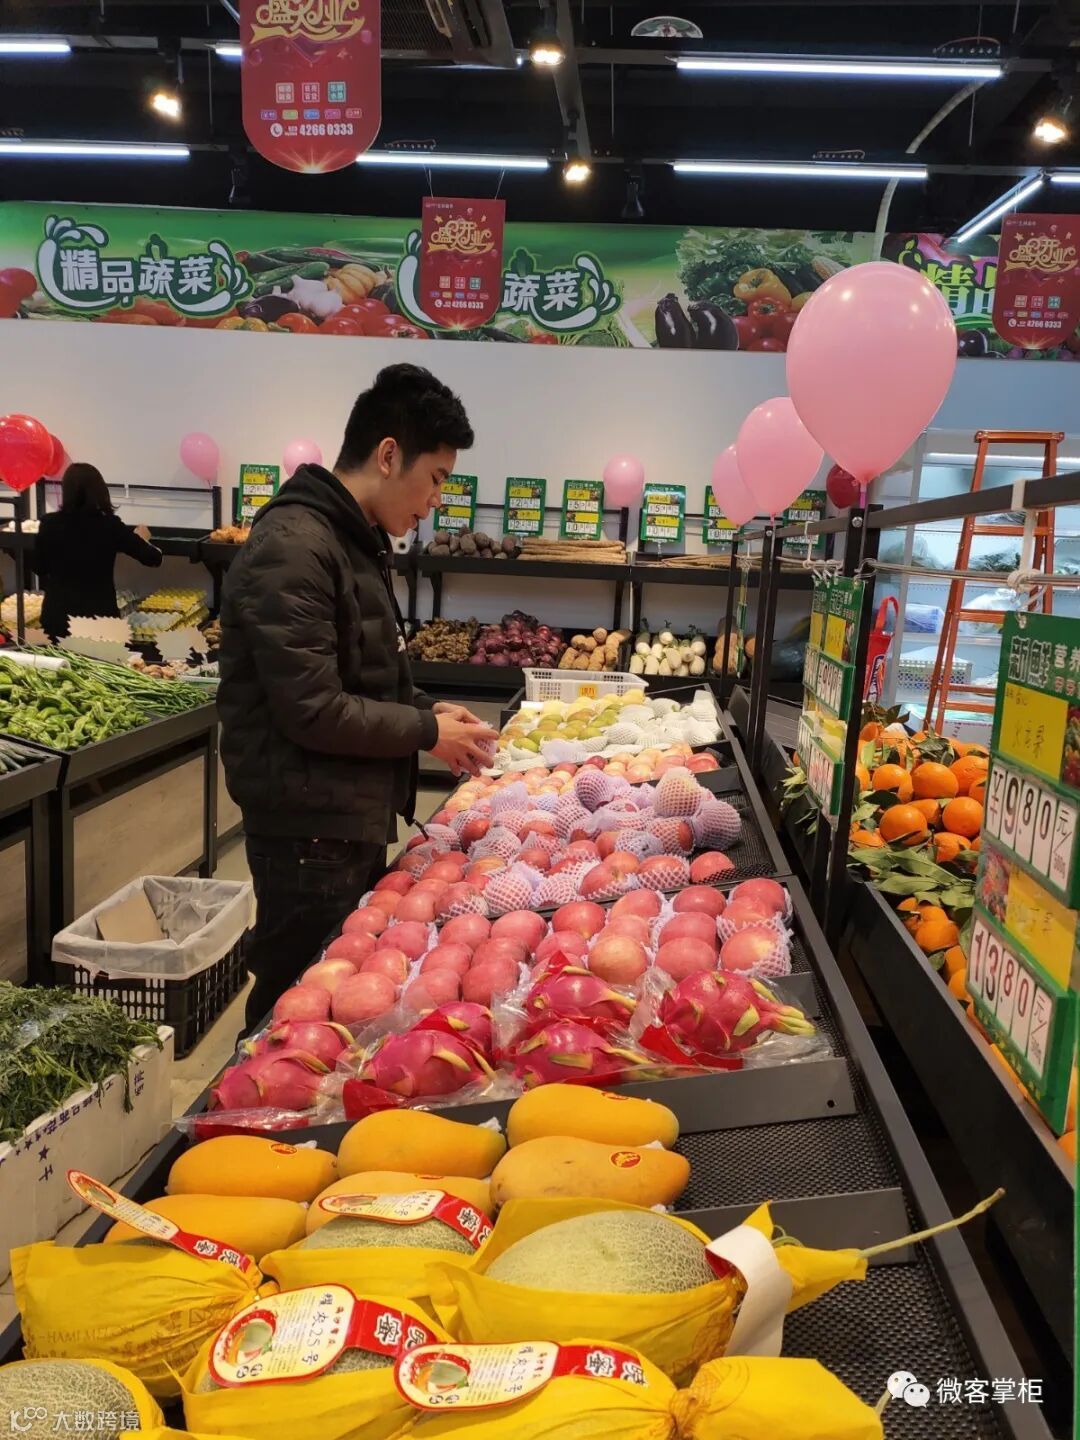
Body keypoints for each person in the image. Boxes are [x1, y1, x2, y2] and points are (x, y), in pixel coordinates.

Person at [217, 364, 498, 1029]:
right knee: (293, 1004)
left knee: (337, 996)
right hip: (307, 830)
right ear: (389, 454)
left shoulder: (350, 539)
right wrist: (426, 734)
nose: (435, 501)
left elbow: (359, 673)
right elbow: (312, 708)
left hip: (341, 814)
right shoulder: (295, 548)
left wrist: (426, 711)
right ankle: (252, 1094)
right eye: (435, 478)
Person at [33, 463, 163, 640]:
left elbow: (39, 567)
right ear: (99, 491)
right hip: (99, 620)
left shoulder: (49, 523)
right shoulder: (109, 525)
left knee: (58, 659)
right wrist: (143, 538)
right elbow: (153, 558)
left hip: (57, 618)